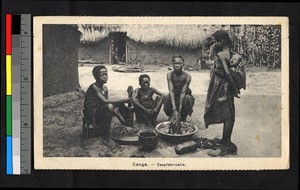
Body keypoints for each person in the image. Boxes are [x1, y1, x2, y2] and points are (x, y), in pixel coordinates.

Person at [204, 30, 241, 157]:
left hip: (222, 86)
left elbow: (227, 73)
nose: (214, 43)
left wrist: (234, 88)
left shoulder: (221, 54)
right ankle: (225, 140)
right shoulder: (230, 53)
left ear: (222, 41)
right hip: (224, 85)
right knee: (228, 113)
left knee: (228, 116)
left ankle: (226, 146)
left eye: (215, 41)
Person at [83, 65, 132, 147]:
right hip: (92, 115)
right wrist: (124, 100)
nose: (105, 77)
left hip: (99, 111)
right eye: (102, 75)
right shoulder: (94, 87)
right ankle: (107, 138)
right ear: (96, 76)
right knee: (112, 105)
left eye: (106, 74)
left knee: (119, 103)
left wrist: (118, 114)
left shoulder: (105, 88)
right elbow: (106, 102)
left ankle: (127, 126)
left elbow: (106, 104)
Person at [164, 55, 195, 122]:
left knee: (187, 99)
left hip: (184, 95)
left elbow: (183, 93)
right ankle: (171, 115)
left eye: (179, 63)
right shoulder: (170, 75)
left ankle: (183, 116)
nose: (177, 65)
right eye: (175, 63)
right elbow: (171, 91)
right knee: (166, 98)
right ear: (172, 64)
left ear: (183, 64)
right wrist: (174, 109)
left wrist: (180, 111)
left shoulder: (187, 76)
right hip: (174, 94)